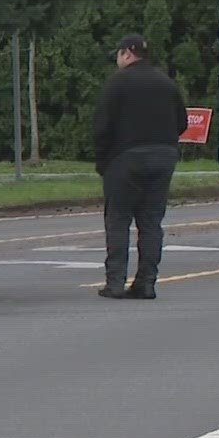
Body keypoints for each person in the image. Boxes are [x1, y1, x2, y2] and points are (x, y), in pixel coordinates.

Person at [92, 33, 188, 300]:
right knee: (150, 222)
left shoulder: (117, 83)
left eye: (119, 54)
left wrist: (103, 161)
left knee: (118, 220)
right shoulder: (166, 83)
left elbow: (102, 127)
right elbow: (182, 122)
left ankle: (115, 282)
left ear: (127, 53)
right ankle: (146, 282)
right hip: (163, 156)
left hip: (126, 158)